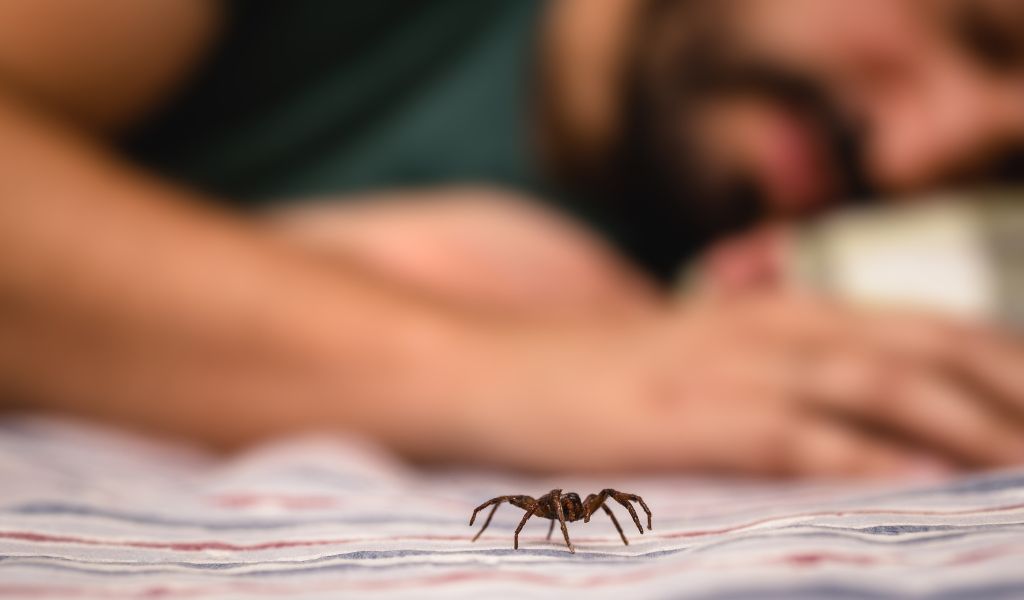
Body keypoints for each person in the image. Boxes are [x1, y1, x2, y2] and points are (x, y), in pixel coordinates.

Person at [3, 0, 1024, 477]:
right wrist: (499, 371)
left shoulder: (724, 284)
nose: (908, 157)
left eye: (1003, 169)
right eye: (975, 31)